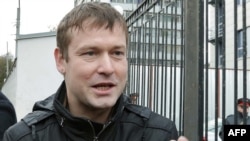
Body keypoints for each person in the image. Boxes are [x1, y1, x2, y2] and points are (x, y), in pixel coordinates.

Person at [3, 2, 188, 141]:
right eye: (90, 53)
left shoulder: (157, 134)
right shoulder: (24, 137)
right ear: (61, 60)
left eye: (117, 53)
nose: (107, 68)